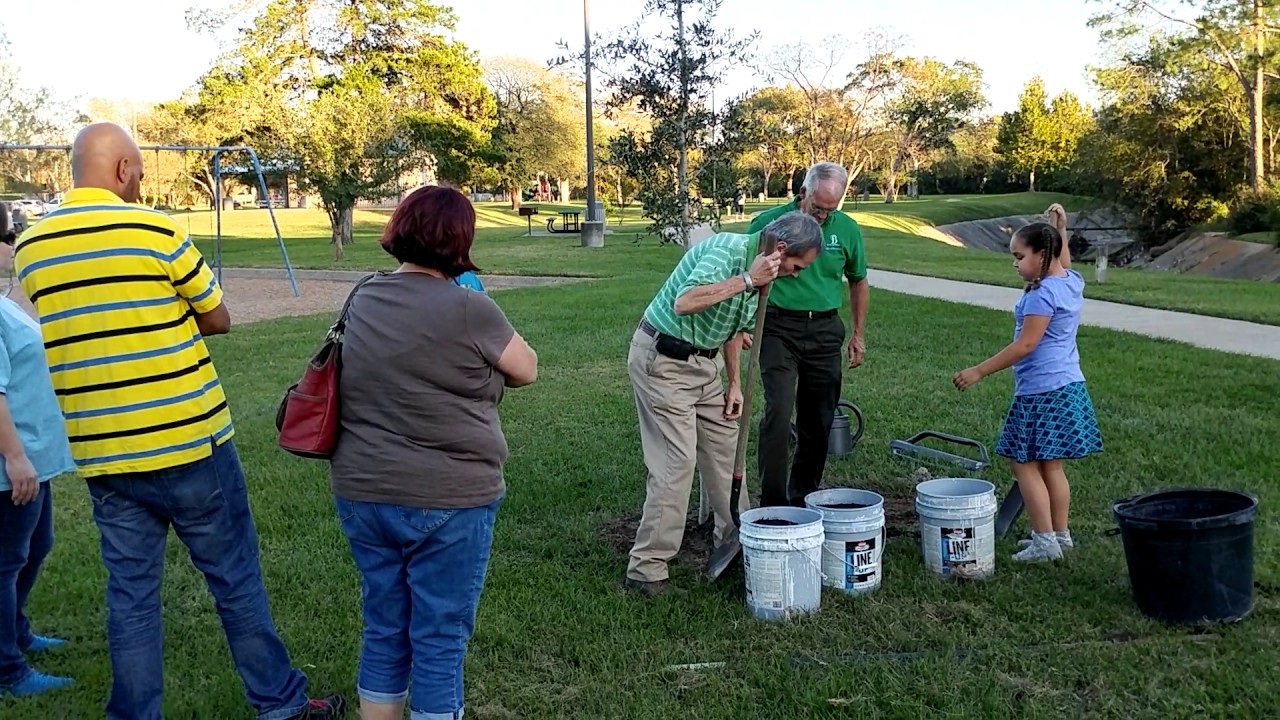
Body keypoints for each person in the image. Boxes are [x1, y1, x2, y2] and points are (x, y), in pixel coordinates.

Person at [14, 122, 346, 719]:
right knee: (234, 580)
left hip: (102, 451)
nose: (140, 181)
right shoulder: (157, 230)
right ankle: (280, 705)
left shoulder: (33, 247)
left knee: (131, 596)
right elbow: (217, 318)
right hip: (190, 441)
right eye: (138, 171)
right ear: (121, 170)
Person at [329, 185, 538, 720]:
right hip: (450, 498)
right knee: (439, 638)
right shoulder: (473, 309)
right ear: (460, 241)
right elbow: (527, 369)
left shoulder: (364, 295)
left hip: (363, 491)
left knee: (384, 625)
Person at [625, 211, 825, 596]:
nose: (797, 275)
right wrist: (747, 280)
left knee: (726, 451)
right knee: (675, 464)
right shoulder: (726, 252)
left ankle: (734, 545)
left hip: (705, 365)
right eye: (797, 267)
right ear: (780, 251)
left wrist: (733, 383)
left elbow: (733, 330)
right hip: (663, 361)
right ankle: (646, 571)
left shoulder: (764, 277)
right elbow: (685, 302)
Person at [952, 203, 1102, 562]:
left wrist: (978, 371)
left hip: (1042, 391)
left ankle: (1044, 541)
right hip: (1068, 385)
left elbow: (1026, 344)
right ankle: (1060, 535)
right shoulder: (1070, 282)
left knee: (1024, 465)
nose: (1015, 263)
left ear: (1041, 254)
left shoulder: (1042, 295)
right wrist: (1060, 229)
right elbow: (1062, 260)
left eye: (1019, 256)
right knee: (1052, 465)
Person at [746, 162, 869, 508]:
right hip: (777, 327)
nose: (823, 216)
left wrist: (857, 334)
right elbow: (744, 274)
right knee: (779, 411)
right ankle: (772, 504)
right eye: (818, 208)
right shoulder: (767, 225)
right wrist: (742, 325)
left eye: (831, 209)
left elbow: (858, 281)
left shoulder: (846, 229)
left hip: (825, 329)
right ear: (803, 193)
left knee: (818, 418)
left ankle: (802, 498)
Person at [0, 238, 76, 700]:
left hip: (33, 455)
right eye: (5, 238)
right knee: (6, 563)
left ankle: (17, 631)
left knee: (37, 543)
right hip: (14, 461)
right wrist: (14, 457)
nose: (10, 247)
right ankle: (7, 668)